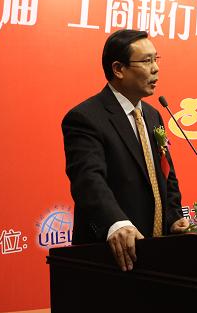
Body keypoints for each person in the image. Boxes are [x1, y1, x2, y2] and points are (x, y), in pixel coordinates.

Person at [62, 29, 189, 272]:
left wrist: (173, 218)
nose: (155, 69)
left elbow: (166, 174)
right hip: (112, 255)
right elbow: (88, 180)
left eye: (156, 59)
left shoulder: (153, 115)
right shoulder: (86, 118)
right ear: (118, 69)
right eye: (147, 61)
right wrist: (116, 223)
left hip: (156, 251)